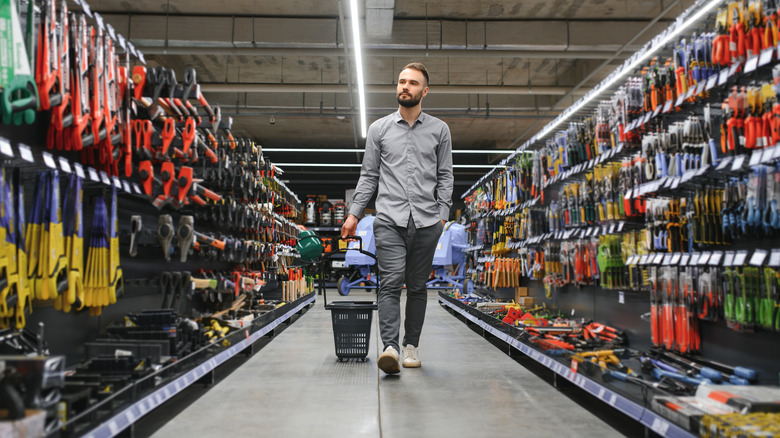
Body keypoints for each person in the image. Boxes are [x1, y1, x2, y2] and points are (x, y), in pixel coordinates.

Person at [341, 62, 453, 375]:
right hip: (389, 218)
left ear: (424, 91)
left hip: (427, 222)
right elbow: (368, 175)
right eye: (402, 81)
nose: (405, 87)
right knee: (389, 282)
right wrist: (354, 214)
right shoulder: (379, 129)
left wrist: (442, 215)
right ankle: (389, 346)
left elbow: (446, 175)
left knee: (417, 287)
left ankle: (410, 346)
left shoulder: (439, 130)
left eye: (413, 83)